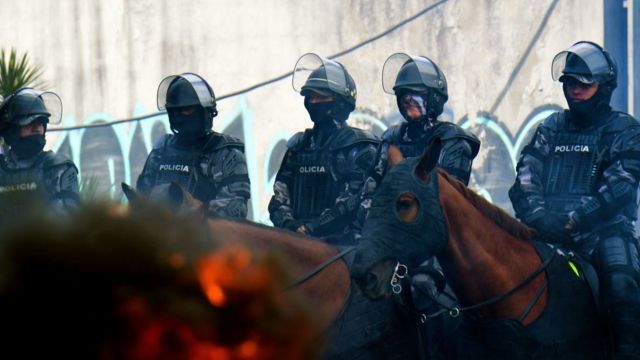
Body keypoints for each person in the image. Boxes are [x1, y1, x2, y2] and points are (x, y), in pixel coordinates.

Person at [509, 41, 640, 359]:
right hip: (545, 231)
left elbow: (621, 185)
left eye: (584, 83)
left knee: (623, 290)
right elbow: (525, 177)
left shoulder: (625, 129)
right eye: (569, 82)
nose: (575, 90)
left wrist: (575, 218)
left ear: (604, 87)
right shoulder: (550, 128)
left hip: (603, 233)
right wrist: (540, 217)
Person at [268, 54, 379, 244]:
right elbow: (279, 198)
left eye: (321, 97)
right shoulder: (298, 147)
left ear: (340, 102)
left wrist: (312, 228)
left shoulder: (359, 146)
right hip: (296, 241)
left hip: (344, 245)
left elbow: (354, 201)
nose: (314, 102)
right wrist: (290, 226)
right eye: (310, 97)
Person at [137, 73, 250, 218]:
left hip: (206, 238)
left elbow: (234, 210)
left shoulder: (225, 152)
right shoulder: (161, 150)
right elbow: (142, 197)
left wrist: (189, 212)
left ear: (205, 111)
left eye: (187, 110)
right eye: (176, 111)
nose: (181, 116)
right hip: (159, 235)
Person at [370, 53, 480, 186]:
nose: (407, 100)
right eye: (403, 95)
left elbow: (448, 197)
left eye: (415, 95)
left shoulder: (452, 142)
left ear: (434, 98)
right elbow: (370, 190)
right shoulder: (391, 139)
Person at [0, 87, 79, 212]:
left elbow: (70, 220)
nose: (37, 127)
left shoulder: (58, 168)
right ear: (12, 130)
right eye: (29, 122)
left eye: (41, 122)